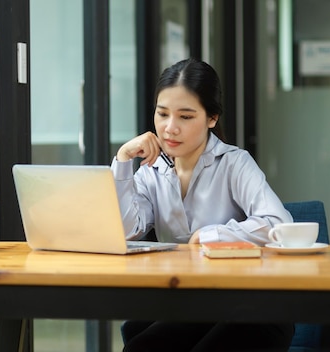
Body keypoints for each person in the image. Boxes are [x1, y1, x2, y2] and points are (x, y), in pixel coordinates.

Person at [110, 58, 295, 351]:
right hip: (194, 305)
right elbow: (125, 230)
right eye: (162, 114)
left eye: (185, 117)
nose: (170, 128)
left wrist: (213, 236)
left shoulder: (234, 163)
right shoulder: (150, 171)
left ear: (212, 118)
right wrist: (122, 161)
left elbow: (279, 224)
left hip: (254, 305)